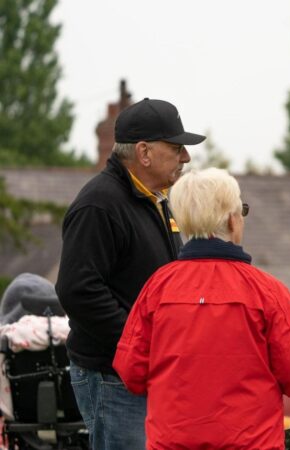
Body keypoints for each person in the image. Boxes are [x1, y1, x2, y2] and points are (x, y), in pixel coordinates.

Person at [113, 168, 290, 449]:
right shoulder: (268, 291)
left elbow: (131, 371)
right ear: (233, 220)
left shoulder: (157, 287)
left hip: (172, 442)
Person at [55, 98, 205, 449]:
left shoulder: (154, 198)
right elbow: (78, 289)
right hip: (112, 377)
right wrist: (139, 343)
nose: (185, 157)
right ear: (144, 152)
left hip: (140, 373)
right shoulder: (100, 204)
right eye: (176, 147)